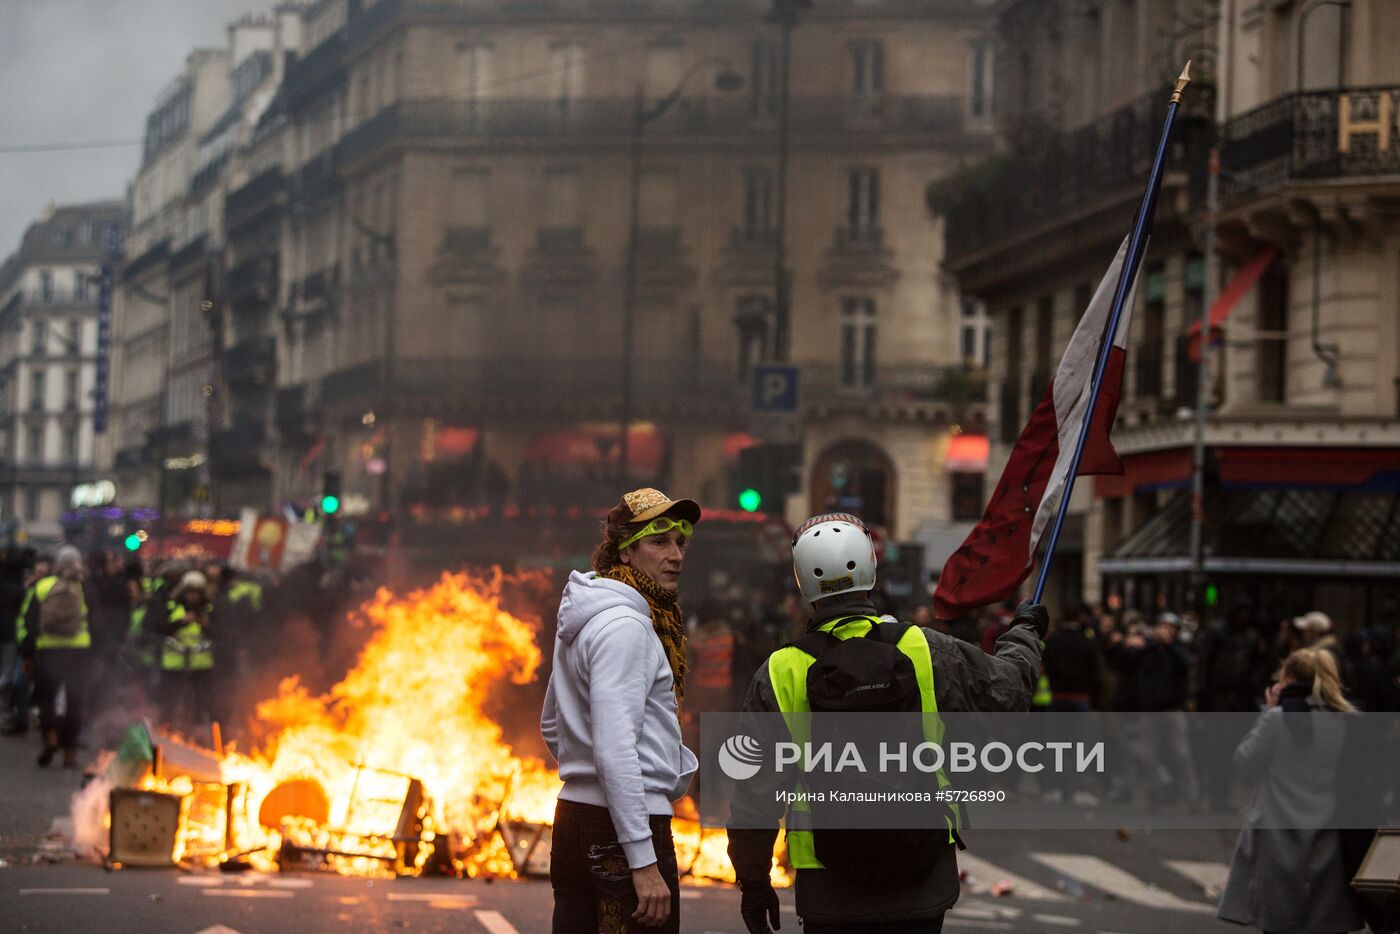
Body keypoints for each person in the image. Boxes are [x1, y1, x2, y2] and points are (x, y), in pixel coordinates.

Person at [727, 512, 1047, 934]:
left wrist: (754, 881)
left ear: (803, 582)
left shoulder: (782, 670)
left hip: (829, 881)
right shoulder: (924, 648)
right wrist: (1024, 633)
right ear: (871, 570)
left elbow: (754, 790)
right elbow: (1009, 693)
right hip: (922, 871)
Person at [541, 488, 701, 934]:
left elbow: (552, 724)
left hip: (575, 818)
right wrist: (643, 861)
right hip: (622, 827)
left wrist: (585, 775)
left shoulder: (587, 615)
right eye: (659, 542)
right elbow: (615, 748)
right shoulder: (627, 626)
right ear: (626, 550)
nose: (675, 556)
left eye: (680, 542)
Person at [1217, 648, 1366, 934]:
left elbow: (1244, 764)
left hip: (1278, 838)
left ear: (1287, 679)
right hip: (1331, 838)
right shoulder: (1347, 721)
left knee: (1279, 925)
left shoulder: (1278, 719)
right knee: (1326, 923)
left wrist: (1270, 708)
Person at [18, 546, 95, 768]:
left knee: (46, 699)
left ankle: (50, 736)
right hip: (79, 651)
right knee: (75, 701)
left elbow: (29, 623)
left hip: (49, 650)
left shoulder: (42, 586)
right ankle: (70, 752)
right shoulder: (85, 589)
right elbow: (97, 623)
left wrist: (27, 653)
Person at [160, 571, 217, 732]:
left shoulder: (209, 609)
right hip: (174, 664)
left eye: (197, 593)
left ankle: (197, 732)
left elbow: (219, 632)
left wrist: (206, 625)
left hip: (201, 664)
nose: (193, 596)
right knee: (170, 701)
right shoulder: (172, 607)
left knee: (200, 702)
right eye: (190, 592)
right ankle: (166, 731)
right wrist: (181, 622)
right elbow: (161, 628)